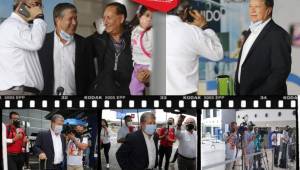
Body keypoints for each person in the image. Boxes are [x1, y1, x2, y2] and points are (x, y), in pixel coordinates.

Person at [166, 1, 223, 95]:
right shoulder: (193, 32)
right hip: (187, 98)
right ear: (185, 12)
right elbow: (218, 54)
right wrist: (204, 27)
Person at [234, 0, 291, 95]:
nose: (252, 10)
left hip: (265, 104)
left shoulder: (278, 34)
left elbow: (280, 72)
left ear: (268, 10)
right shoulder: (250, 31)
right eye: (250, 6)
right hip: (244, 99)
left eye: (257, 7)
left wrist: (256, 97)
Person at [38, 3, 95, 95]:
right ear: (58, 20)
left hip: (76, 105)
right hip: (47, 104)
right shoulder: (41, 42)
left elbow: (91, 78)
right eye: (70, 19)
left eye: (75, 18)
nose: (74, 22)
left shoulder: (84, 44)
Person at [0, 0, 46, 95]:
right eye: (35, 4)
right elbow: (36, 42)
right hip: (18, 92)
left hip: (21, 91)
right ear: (21, 5)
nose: (39, 9)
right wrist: (39, 17)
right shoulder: (12, 25)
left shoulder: (19, 26)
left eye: (40, 6)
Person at [88, 2, 134, 95]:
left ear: (121, 18)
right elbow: (80, 47)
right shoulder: (98, 39)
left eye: (109, 18)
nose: (105, 22)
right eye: (104, 18)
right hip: (104, 94)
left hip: (128, 95)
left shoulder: (135, 39)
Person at [129, 5, 153, 95]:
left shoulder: (152, 32)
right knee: (133, 89)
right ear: (139, 16)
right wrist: (134, 64)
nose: (150, 19)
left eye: (152, 17)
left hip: (148, 66)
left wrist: (150, 69)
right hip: (137, 66)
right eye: (147, 15)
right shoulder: (134, 31)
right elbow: (133, 49)